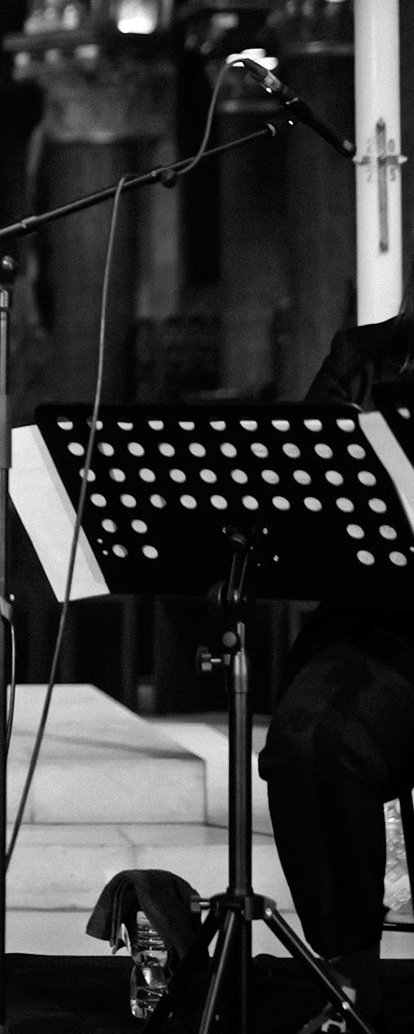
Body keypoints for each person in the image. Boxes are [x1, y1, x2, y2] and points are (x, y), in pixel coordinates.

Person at [261, 312, 414, 1029]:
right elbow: (301, 503)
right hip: (391, 620)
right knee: (312, 739)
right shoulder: (367, 355)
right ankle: (349, 978)